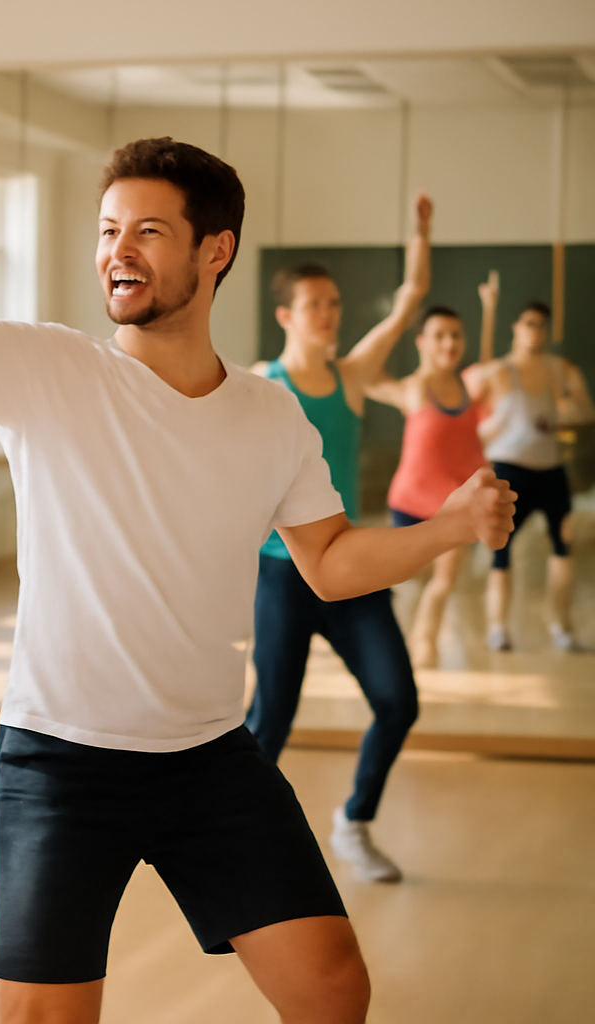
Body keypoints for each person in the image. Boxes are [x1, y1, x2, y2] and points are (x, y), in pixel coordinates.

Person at [0, 117, 511, 1024]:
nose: (120, 252)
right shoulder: (52, 371)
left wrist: (454, 526)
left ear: (214, 250)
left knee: (332, 983)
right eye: (109, 231)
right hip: (60, 761)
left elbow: (333, 561)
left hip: (209, 758)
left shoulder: (271, 418)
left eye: (149, 231)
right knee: (43, 1017)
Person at [245, 197, 431, 884]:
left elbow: (409, 301)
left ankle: (353, 821)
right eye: (315, 304)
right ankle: (234, 838)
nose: (329, 313)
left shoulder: (353, 376)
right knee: (270, 721)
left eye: (334, 303)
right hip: (282, 575)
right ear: (287, 314)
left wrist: (420, 234)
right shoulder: (262, 384)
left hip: (352, 570)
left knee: (398, 701)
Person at [368, 290, 495, 668]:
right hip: (409, 502)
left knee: (445, 579)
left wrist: (489, 310)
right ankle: (387, 642)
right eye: (439, 335)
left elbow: (487, 364)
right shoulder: (414, 389)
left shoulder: (471, 388)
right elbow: (367, 377)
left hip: (454, 505)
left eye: (456, 336)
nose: (450, 343)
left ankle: (425, 642)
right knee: (400, 580)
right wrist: (394, 323)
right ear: (422, 342)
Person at [472, 283, 594, 652]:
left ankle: (562, 627)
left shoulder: (561, 370)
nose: (534, 330)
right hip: (510, 468)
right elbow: (468, 412)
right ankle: (498, 628)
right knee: (500, 549)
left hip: (551, 469)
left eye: (541, 324)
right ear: (516, 327)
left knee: (563, 546)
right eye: (528, 323)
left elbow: (586, 410)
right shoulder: (499, 371)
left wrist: (562, 419)